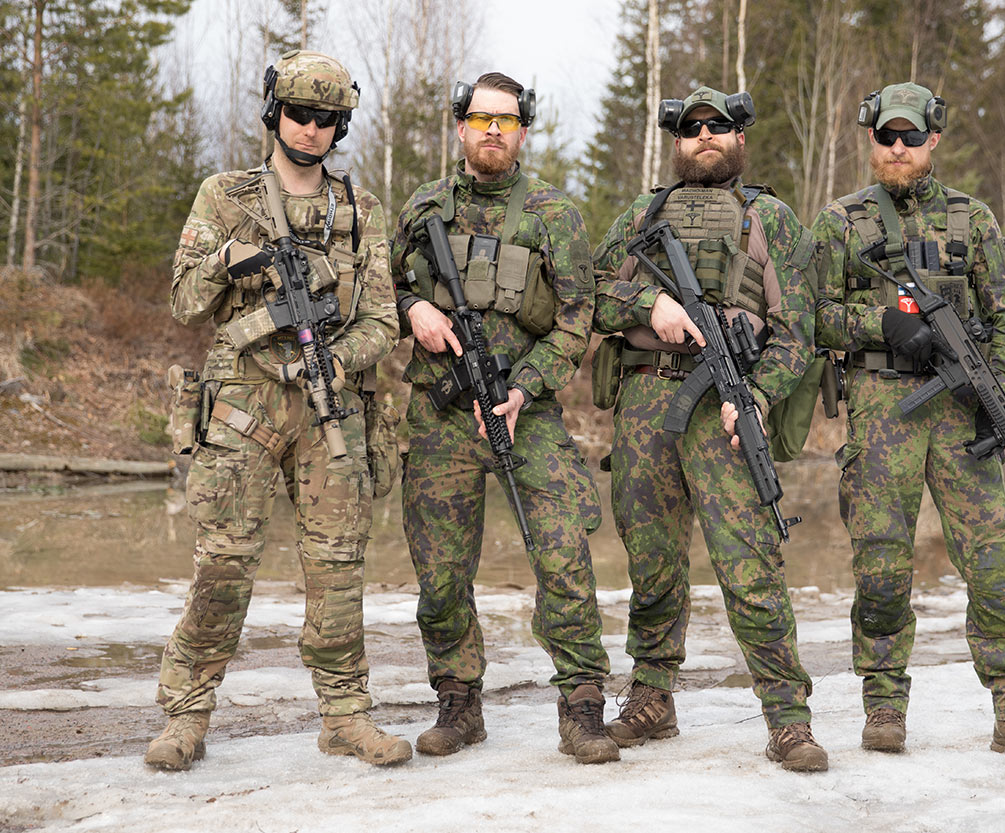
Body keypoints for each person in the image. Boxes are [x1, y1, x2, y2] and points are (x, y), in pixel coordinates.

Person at [146, 50, 407, 770]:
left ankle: (347, 715)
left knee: (338, 569)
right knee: (222, 569)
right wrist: (234, 259)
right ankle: (186, 714)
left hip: (330, 410)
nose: (313, 129)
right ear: (274, 113)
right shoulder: (225, 194)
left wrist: (337, 360)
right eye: (300, 113)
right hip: (242, 409)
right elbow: (183, 302)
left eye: (329, 118)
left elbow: (384, 319)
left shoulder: (359, 210)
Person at [811, 82, 1005, 768]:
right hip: (879, 404)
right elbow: (808, 316)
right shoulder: (839, 222)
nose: (898, 148)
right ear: (871, 139)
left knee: (997, 564)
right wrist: (883, 324)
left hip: (962, 410)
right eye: (886, 136)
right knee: (883, 564)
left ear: (933, 139)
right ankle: (884, 700)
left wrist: (1000, 390)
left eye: (911, 136)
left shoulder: (973, 220)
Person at [591, 86, 827, 772]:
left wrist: (756, 394)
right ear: (677, 140)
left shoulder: (771, 219)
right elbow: (590, 290)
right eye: (691, 127)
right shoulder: (643, 213)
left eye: (716, 126)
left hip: (727, 408)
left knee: (750, 562)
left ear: (740, 138)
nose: (703, 136)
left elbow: (798, 330)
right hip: (646, 405)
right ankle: (652, 696)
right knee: (652, 561)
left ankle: (787, 714)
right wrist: (653, 301)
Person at [390, 72, 618, 765]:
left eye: (507, 121)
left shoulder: (556, 214)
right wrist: (412, 309)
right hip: (439, 412)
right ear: (460, 125)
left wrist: (527, 387)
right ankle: (459, 701)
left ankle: (582, 704)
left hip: (527, 411)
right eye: (482, 118)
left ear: (523, 130)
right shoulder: (424, 206)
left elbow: (581, 316)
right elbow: (382, 284)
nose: (493, 131)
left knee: (565, 555)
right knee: (441, 573)